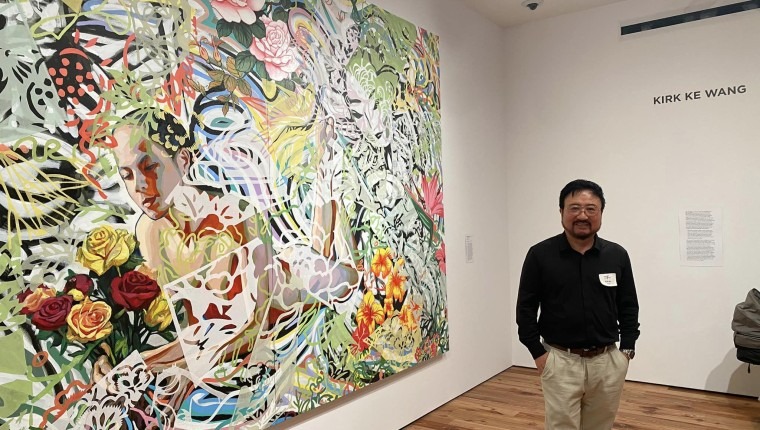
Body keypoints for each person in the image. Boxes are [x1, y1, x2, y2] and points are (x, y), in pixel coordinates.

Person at [516, 179, 640, 430]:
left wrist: (626, 350)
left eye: (590, 208)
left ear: (601, 212)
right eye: (574, 208)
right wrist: (538, 354)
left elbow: (628, 305)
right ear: (561, 211)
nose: (582, 215)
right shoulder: (540, 255)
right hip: (560, 361)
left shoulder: (617, 255)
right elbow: (525, 309)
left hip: (607, 362)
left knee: (600, 426)